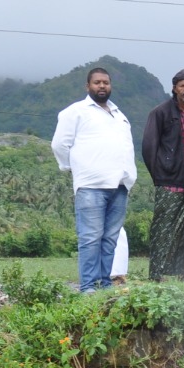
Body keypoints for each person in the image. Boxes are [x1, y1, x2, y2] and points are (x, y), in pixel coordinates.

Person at [51, 66, 136, 292]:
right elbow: (60, 144)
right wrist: (71, 167)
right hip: (91, 186)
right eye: (97, 82)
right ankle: (88, 287)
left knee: (110, 239)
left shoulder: (119, 115)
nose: (102, 86)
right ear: (87, 86)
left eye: (105, 83)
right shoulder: (76, 111)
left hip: (119, 186)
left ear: (110, 86)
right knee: (90, 238)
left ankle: (104, 284)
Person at [140, 69, 184, 281]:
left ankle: (181, 277)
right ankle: (157, 277)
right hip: (169, 184)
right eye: (182, 86)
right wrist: (161, 176)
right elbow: (149, 147)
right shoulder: (160, 113)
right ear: (174, 88)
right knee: (163, 232)